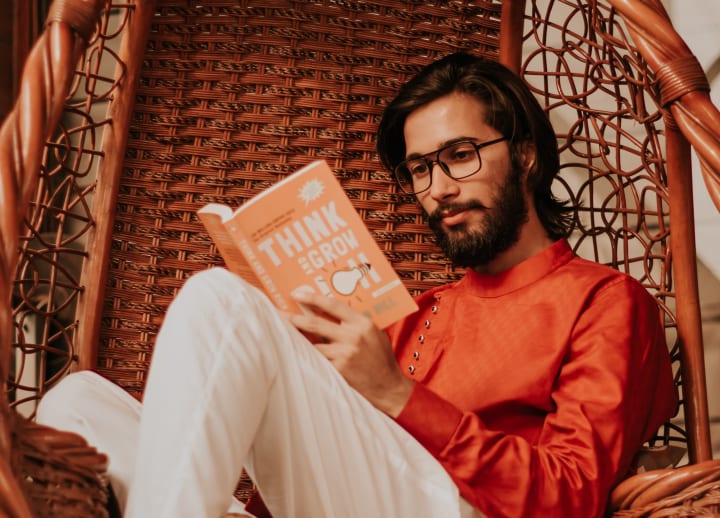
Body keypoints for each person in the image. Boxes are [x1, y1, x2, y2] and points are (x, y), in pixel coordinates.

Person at [36, 52, 677, 518]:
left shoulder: (604, 300)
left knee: (218, 302)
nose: (439, 189)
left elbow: (571, 496)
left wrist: (395, 393)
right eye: (421, 169)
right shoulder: (408, 313)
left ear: (528, 154)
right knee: (78, 405)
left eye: (460, 155)